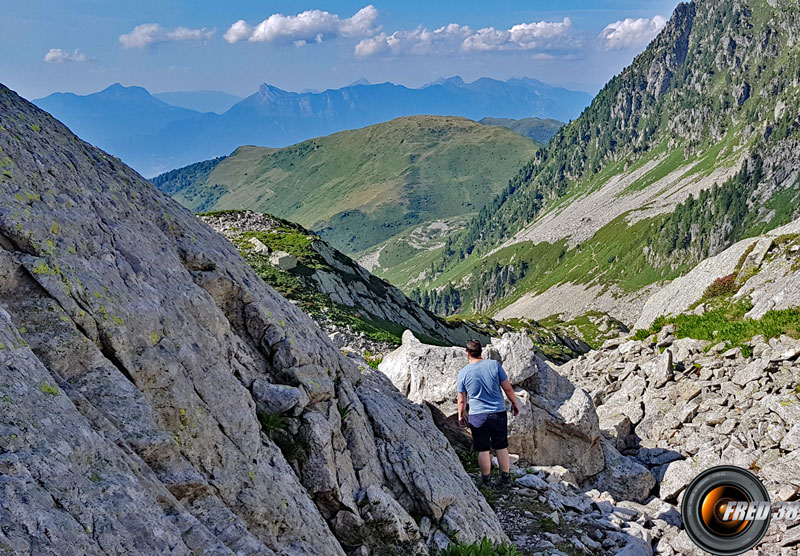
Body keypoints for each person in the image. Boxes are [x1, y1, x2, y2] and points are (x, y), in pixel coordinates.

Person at [456, 339, 520, 487]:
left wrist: (460, 415)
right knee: (501, 446)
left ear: (467, 353)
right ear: (481, 351)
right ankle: (505, 479)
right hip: (498, 413)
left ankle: (486, 481)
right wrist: (514, 403)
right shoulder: (494, 365)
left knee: (483, 449)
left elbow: (461, 399)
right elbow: (508, 388)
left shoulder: (463, 373)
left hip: (477, 415)